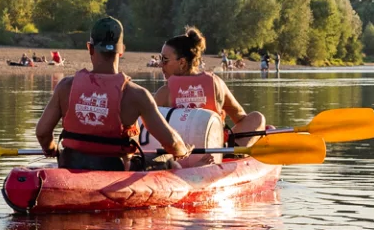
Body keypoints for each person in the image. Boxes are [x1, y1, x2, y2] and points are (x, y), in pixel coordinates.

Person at [35, 17, 188, 171]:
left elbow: (42, 133)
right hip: (115, 170)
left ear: (90, 48)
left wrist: (52, 150)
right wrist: (183, 151)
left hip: (71, 164)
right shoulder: (137, 95)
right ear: (121, 51)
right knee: (170, 160)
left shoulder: (65, 86)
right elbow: (172, 143)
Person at [155, 27, 268, 163]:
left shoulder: (164, 92)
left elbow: (148, 130)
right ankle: (232, 157)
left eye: (164, 60)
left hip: (178, 156)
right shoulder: (216, 84)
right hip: (214, 153)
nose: (160, 64)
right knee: (257, 118)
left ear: (182, 62)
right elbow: (240, 118)